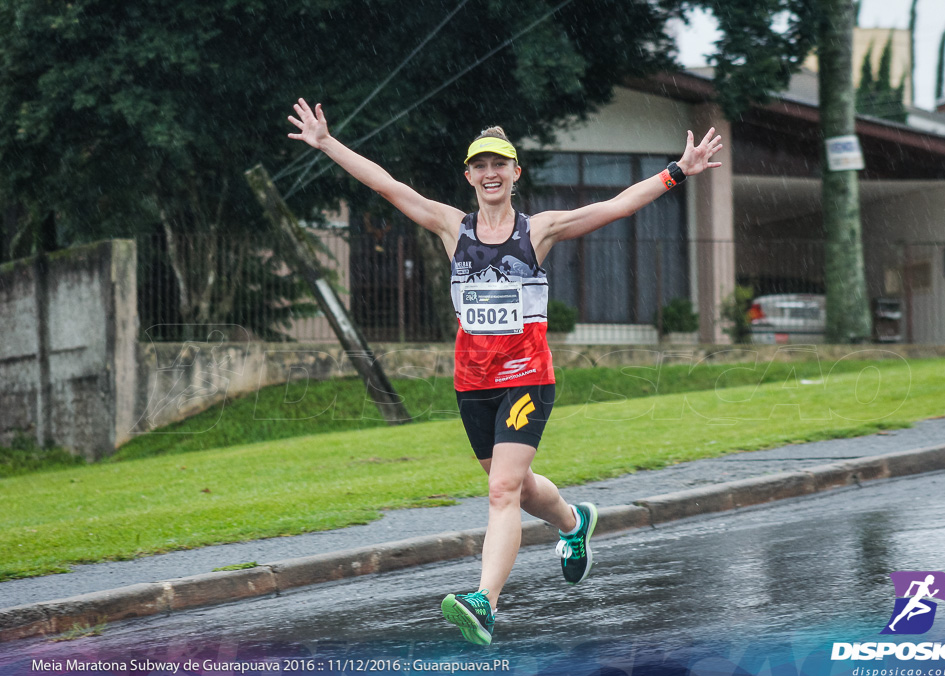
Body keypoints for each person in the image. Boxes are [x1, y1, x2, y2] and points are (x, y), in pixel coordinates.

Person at [287, 98, 723, 645]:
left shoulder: (538, 230)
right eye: (480, 166)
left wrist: (678, 170)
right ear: (469, 176)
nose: (489, 174)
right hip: (473, 384)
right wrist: (327, 143)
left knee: (501, 492)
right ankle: (573, 522)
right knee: (516, 490)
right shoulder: (452, 227)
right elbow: (386, 186)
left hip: (526, 377)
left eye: (499, 165)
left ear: (516, 173)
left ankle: (484, 602)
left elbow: (618, 206)